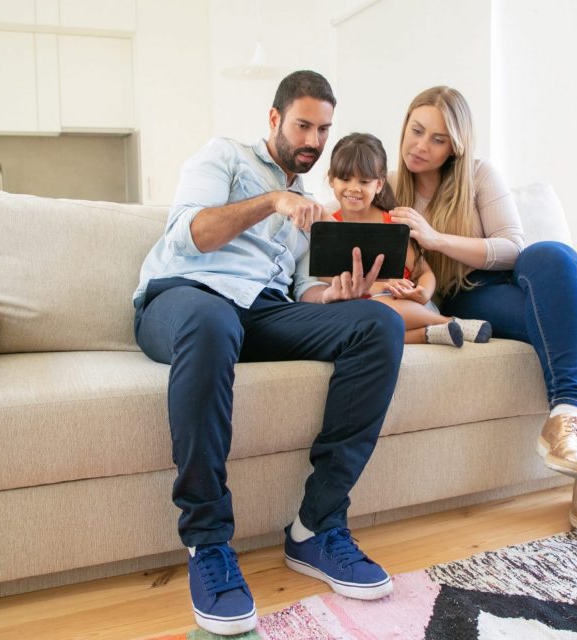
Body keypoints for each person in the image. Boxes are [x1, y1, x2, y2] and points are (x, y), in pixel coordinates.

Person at [133, 71, 402, 636]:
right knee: (211, 321)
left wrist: (336, 297)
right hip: (184, 300)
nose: (313, 139)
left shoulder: (308, 204)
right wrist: (271, 201)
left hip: (261, 312)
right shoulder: (224, 157)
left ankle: (316, 526)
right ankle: (208, 543)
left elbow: (304, 289)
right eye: (303, 124)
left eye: (323, 129)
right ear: (275, 118)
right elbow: (192, 235)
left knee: (377, 322)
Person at [390, 86, 577, 535]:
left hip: (509, 276)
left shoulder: (478, 175)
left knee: (552, 253)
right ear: (405, 126)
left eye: (438, 139)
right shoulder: (388, 190)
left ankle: (564, 418)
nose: (422, 146)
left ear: (455, 145)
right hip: (463, 294)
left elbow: (513, 247)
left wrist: (435, 238)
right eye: (417, 131)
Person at [325, 132, 492, 347]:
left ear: (378, 184)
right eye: (345, 179)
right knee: (362, 326)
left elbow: (424, 273)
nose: (354, 188)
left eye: (364, 181)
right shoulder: (330, 227)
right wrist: (375, 287)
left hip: (404, 304)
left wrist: (422, 293)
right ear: (331, 179)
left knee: (383, 309)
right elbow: (325, 276)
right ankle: (438, 329)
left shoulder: (393, 224)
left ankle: (442, 323)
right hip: (358, 308)